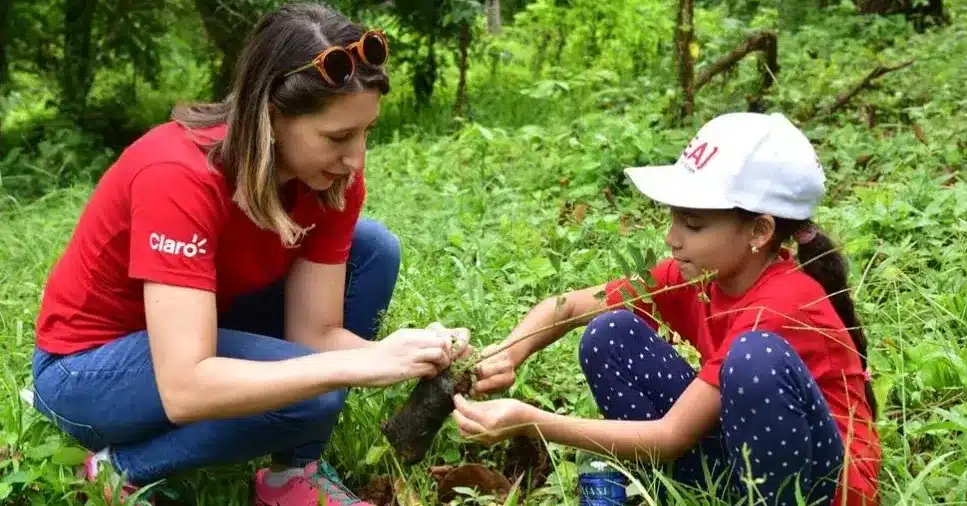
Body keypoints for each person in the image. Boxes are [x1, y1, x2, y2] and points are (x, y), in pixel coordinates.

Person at [29, 4, 466, 506]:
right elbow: (185, 385)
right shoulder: (177, 174)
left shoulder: (333, 180)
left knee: (374, 250)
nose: (356, 159)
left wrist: (403, 354)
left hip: (197, 326)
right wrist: (352, 369)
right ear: (273, 116)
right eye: (339, 137)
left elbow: (315, 335)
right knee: (314, 389)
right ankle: (118, 468)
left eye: (366, 132)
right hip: (88, 369)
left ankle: (292, 474)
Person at [453, 112, 881, 506]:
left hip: (822, 486)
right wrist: (509, 352)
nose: (673, 238)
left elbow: (670, 436)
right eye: (675, 219)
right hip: (744, 461)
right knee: (610, 333)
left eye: (693, 225)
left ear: (760, 230)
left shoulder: (784, 302)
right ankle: (687, 493)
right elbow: (570, 307)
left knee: (754, 360)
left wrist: (531, 421)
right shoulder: (701, 275)